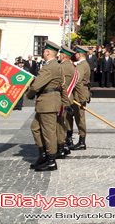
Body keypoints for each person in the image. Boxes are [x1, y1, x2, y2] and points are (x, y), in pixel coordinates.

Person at [26, 40, 62, 172]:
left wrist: (29, 94)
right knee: (35, 127)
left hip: (48, 102)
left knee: (48, 131)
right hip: (47, 102)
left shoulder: (49, 67)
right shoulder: (56, 65)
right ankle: (43, 154)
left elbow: (36, 85)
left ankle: (51, 160)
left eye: (44, 51)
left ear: (47, 52)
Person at [68, 45, 90, 151]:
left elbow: (77, 79)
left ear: (79, 54)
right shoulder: (82, 64)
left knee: (80, 118)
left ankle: (82, 141)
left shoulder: (82, 65)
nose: (75, 55)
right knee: (76, 116)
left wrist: (81, 99)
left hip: (80, 94)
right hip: (80, 93)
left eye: (76, 53)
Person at [56, 45, 76, 159]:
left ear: (63, 55)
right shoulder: (73, 67)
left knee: (60, 123)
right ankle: (66, 142)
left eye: (60, 54)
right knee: (68, 121)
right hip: (70, 96)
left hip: (62, 98)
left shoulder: (62, 67)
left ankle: (62, 145)